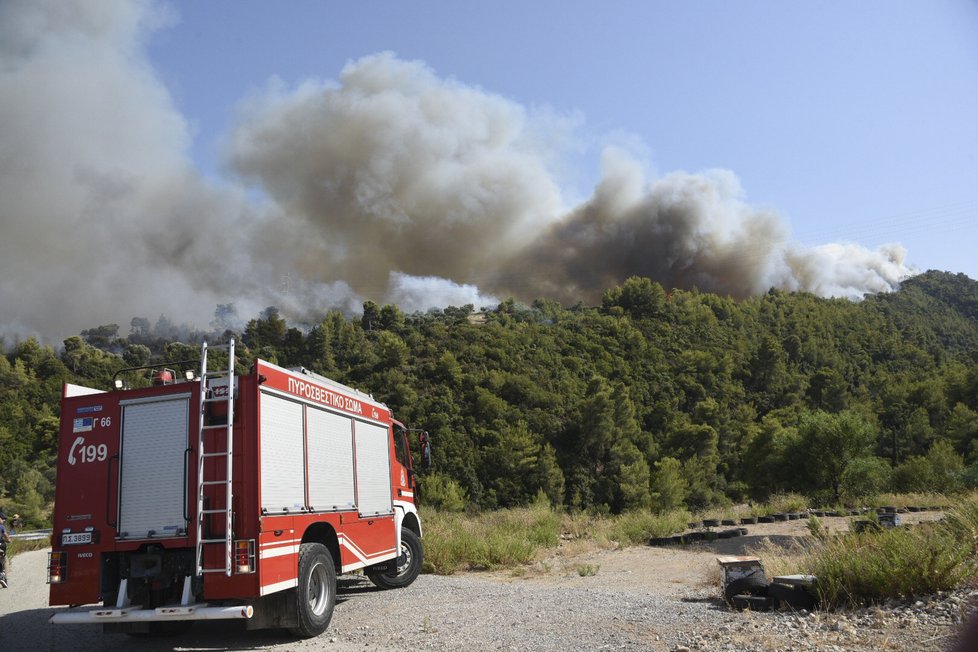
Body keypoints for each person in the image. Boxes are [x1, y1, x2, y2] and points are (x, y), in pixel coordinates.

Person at [0, 512, 9, 588]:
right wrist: (9, 540)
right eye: (2, 519)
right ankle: (4, 578)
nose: (4, 520)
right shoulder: (1, 527)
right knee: (5, 560)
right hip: (0, 546)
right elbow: (6, 536)